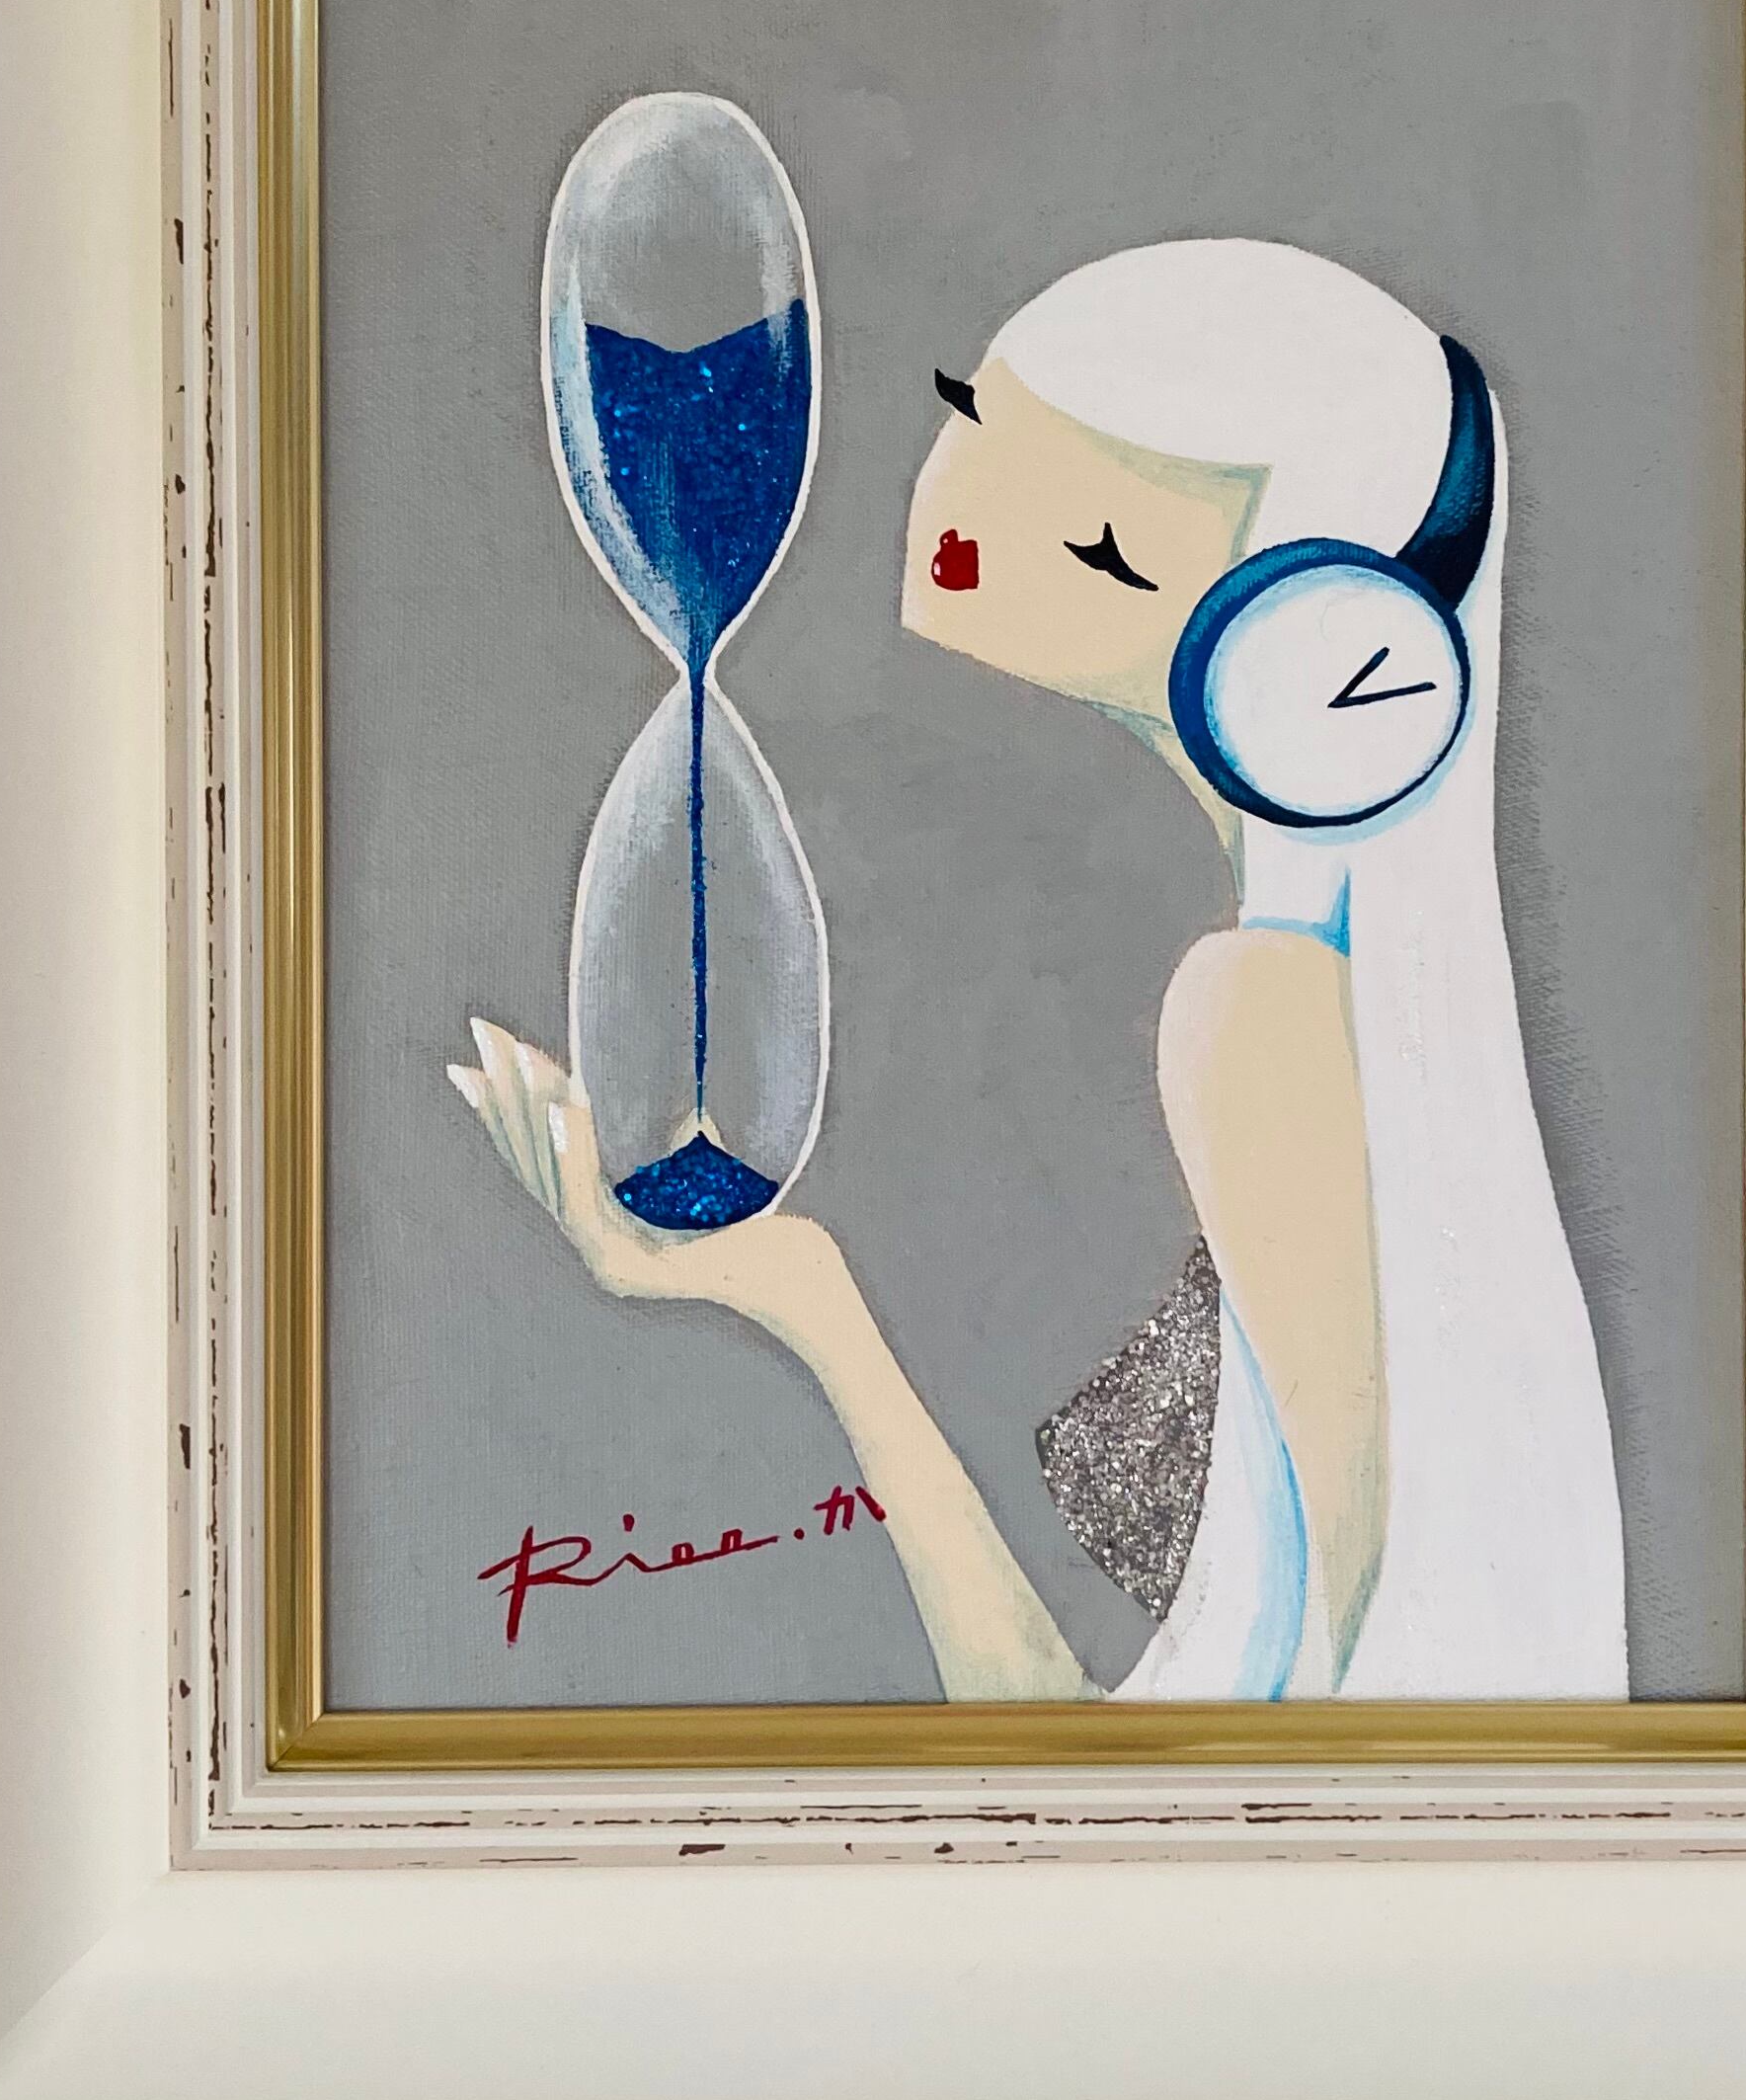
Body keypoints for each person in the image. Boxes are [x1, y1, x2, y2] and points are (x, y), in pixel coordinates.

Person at [454, 236, 1629, 1703]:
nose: (962, 514)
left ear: (1306, 653)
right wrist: (804, 1290)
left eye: (1105, 547)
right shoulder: (1313, 1008)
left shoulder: (1258, 1019)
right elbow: (1099, 1747)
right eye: (972, 414)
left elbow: (1319, 1745)